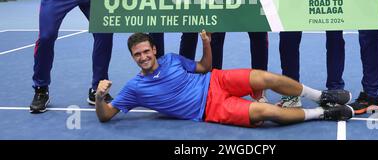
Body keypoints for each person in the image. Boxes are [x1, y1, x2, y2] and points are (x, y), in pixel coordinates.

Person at [95, 31, 354, 125]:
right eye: (137, 55)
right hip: (210, 109)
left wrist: (206, 43)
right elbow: (106, 115)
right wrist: (99, 98)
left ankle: (322, 96)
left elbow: (205, 67)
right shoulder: (134, 88)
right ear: (133, 57)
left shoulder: (172, 59)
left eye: (145, 51)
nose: (142, 57)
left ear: (154, 50)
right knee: (265, 112)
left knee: (265, 77)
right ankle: (322, 113)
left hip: (215, 81)